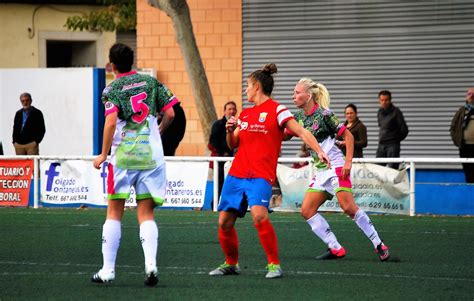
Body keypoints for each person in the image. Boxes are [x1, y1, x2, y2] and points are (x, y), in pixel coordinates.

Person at [208, 63, 330, 279]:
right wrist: (229, 130)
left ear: (256, 86)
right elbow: (232, 144)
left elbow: (301, 131)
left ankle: (274, 265)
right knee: (224, 222)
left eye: (247, 86)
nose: (246, 90)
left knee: (259, 216)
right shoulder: (245, 115)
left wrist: (319, 150)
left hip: (260, 176)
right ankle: (231, 263)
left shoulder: (278, 109)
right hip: (236, 174)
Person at [91, 43, 177, 287]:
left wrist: (103, 154)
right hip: (151, 157)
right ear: (131, 61)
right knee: (146, 213)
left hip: (124, 158)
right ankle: (151, 265)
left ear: (113, 65)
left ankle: (108, 271)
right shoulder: (150, 82)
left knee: (114, 212)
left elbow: (110, 122)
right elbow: (171, 114)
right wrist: (158, 131)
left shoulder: (112, 89)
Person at [290, 78, 390, 262]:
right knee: (307, 210)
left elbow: (348, 135)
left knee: (348, 207)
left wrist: (348, 163)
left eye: (297, 92)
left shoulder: (325, 114)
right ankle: (335, 248)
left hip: (336, 166)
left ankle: (379, 244)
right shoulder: (297, 118)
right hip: (320, 172)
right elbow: (283, 136)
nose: (293, 95)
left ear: (309, 95)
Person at [208, 101, 238, 197]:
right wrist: (224, 152)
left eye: (233, 109)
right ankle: (215, 206)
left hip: (235, 160)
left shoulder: (238, 124)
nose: (232, 111)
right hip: (221, 161)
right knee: (220, 185)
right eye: (229, 109)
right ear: (224, 111)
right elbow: (213, 142)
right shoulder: (218, 125)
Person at [376, 90, 409, 169]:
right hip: (381, 145)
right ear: (379, 101)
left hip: (393, 146)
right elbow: (381, 126)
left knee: (392, 169)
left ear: (390, 100)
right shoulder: (379, 112)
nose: (384, 102)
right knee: (377, 168)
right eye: (382, 100)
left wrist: (395, 140)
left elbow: (404, 130)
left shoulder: (396, 112)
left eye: (386, 100)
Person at [450, 88, 474, 183]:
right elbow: (454, 125)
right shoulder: (462, 110)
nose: (470, 96)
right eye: (468, 94)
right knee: (467, 169)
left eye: (472, 94)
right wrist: (456, 139)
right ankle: (469, 188)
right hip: (465, 146)